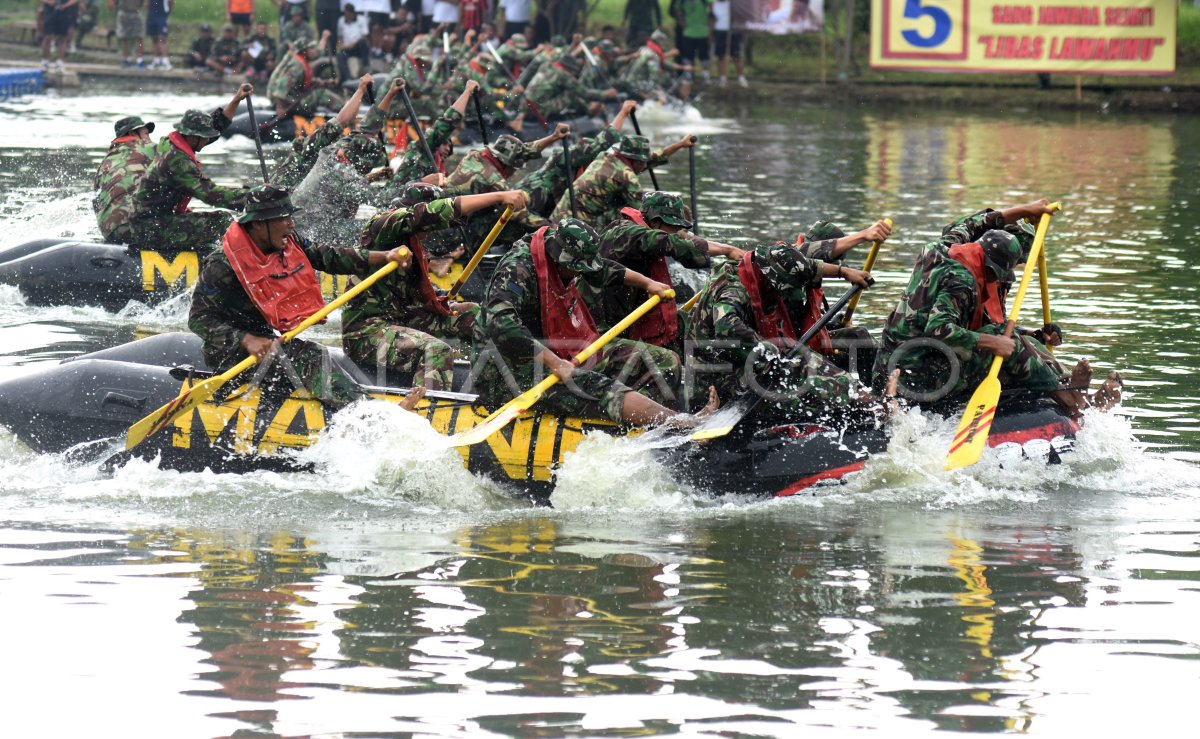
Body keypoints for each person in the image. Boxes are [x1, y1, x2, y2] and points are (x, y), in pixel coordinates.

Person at [872, 200, 1123, 416]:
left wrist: (1026, 208)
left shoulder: (945, 248)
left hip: (906, 359)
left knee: (1016, 337)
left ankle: (1069, 386)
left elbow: (978, 221)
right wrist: (995, 344)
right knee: (1005, 337)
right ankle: (1069, 399)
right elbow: (939, 330)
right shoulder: (962, 280)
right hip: (916, 376)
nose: (998, 283)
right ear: (989, 265)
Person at [189, 184, 422, 412]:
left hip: (269, 342)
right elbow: (198, 319)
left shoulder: (289, 243)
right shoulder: (223, 265)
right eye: (283, 218)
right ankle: (368, 414)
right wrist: (246, 339)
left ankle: (355, 404)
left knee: (310, 353)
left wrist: (384, 256)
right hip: (232, 355)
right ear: (259, 224)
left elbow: (327, 256)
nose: (291, 224)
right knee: (310, 355)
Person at [472, 218, 720, 426]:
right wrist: (554, 361)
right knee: (598, 387)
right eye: (576, 268)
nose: (580, 274)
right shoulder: (517, 269)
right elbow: (502, 326)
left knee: (662, 360)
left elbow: (602, 270)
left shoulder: (563, 256)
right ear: (561, 259)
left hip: (560, 349)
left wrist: (648, 283)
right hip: (508, 367)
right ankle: (679, 424)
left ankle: (645, 425)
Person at [343, 189, 529, 389]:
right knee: (437, 350)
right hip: (366, 333)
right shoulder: (384, 226)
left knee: (474, 314)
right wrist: (500, 196)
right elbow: (435, 212)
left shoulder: (414, 244)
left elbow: (415, 292)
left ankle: (493, 386)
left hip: (404, 318)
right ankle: (430, 406)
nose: (431, 232)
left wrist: (441, 300)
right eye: (431, 226)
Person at [686, 242, 879, 420]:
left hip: (752, 356)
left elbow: (808, 268)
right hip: (715, 374)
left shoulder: (766, 265)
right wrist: (774, 352)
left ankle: (872, 397)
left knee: (857, 338)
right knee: (801, 362)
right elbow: (727, 329)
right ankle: (868, 407)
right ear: (771, 282)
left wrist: (843, 272)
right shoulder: (733, 288)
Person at [582, 190, 744, 350]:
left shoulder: (648, 231)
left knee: (702, 327)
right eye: (674, 227)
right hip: (601, 331)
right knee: (668, 361)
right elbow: (670, 242)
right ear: (655, 222)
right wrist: (726, 251)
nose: (677, 233)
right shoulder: (626, 233)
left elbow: (682, 240)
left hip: (628, 321)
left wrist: (731, 251)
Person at [129, 86, 254, 252]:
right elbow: (211, 194)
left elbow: (216, 126)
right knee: (222, 221)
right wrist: (253, 198)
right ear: (193, 136)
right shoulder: (178, 162)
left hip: (152, 219)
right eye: (204, 138)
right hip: (150, 229)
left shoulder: (172, 140)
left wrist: (237, 99)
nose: (207, 141)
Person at [549, 131, 696, 227]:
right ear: (635, 161)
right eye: (643, 162)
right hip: (575, 223)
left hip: (559, 216)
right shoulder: (626, 177)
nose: (646, 165)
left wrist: (681, 144)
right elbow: (646, 213)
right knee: (630, 221)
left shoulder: (606, 157)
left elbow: (652, 158)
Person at [272, 74, 373, 188]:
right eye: (304, 139)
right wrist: (361, 90)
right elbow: (342, 121)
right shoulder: (304, 156)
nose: (305, 138)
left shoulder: (286, 171)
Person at [292, 130, 389, 246]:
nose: (364, 171)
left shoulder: (329, 153)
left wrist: (373, 177)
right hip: (311, 231)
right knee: (375, 228)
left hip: (301, 222)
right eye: (364, 168)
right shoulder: (343, 175)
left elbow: (348, 183)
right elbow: (379, 198)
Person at [93, 115, 156, 245]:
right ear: (133, 132)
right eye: (146, 133)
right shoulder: (148, 148)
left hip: (109, 231)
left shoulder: (105, 163)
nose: (149, 138)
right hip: (133, 227)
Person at [523, 49, 617, 119]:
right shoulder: (563, 74)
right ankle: (588, 110)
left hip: (524, 104)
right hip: (538, 109)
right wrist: (606, 94)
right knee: (571, 93)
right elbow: (584, 92)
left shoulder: (547, 65)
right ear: (568, 68)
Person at [267, 34, 343, 119]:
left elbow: (299, 81)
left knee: (316, 91)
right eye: (312, 48)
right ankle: (343, 113)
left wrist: (319, 82)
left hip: (288, 99)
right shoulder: (297, 65)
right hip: (284, 102)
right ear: (304, 51)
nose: (315, 51)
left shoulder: (300, 61)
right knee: (321, 93)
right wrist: (280, 108)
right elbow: (281, 84)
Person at [711, 0, 745, 88]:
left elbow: (739, 15)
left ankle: (741, 77)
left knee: (736, 55)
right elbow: (712, 18)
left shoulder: (732, 3)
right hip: (720, 31)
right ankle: (722, 78)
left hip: (733, 31)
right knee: (721, 56)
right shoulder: (714, 4)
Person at [676, 0, 711, 84]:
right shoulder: (682, 2)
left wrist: (709, 28)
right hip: (688, 34)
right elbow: (678, 12)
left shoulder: (704, 2)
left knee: (704, 56)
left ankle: (705, 75)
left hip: (703, 33)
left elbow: (712, 10)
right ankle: (688, 76)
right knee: (688, 56)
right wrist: (684, 25)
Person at [40, 0, 79, 72]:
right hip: (50, 10)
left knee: (63, 37)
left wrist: (66, 5)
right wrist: (49, 2)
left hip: (65, 11)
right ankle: (45, 61)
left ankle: (60, 62)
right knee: (48, 36)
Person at [336, 3, 371, 80]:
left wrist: (354, 43)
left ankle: (366, 67)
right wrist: (341, 45)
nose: (347, 16)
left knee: (363, 43)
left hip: (358, 46)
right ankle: (347, 78)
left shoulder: (361, 19)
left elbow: (365, 36)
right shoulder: (341, 21)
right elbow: (339, 36)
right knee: (340, 56)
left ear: (352, 13)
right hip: (347, 48)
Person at [111, 0, 145, 69]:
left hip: (136, 11)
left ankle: (140, 61)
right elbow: (111, 4)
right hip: (123, 11)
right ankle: (126, 60)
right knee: (124, 37)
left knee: (139, 37)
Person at [145, 0, 171, 70]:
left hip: (162, 14)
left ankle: (166, 61)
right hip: (152, 14)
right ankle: (157, 61)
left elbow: (170, 2)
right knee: (154, 38)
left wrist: (167, 12)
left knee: (162, 38)